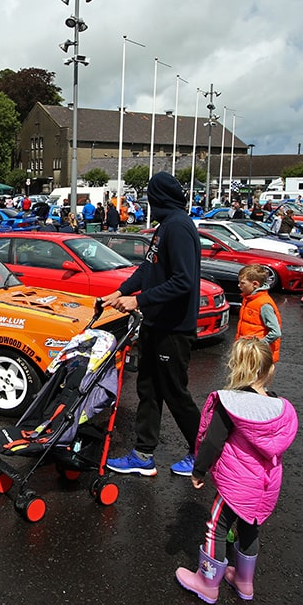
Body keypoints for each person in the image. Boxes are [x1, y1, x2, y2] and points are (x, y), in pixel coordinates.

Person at [174, 337, 298, 605]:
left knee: (216, 526)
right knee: (250, 526)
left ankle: (207, 582)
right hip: (266, 484)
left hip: (236, 484)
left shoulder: (231, 404)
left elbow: (212, 441)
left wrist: (199, 471)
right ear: (269, 370)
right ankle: (244, 582)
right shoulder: (279, 408)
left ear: (236, 367)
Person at [102, 172, 201, 477]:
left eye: (150, 195)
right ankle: (143, 454)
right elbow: (147, 270)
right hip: (156, 324)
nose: (148, 201)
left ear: (159, 197)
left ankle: (203, 453)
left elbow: (183, 281)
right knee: (148, 388)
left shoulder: (180, 227)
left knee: (175, 392)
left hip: (174, 327)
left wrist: (139, 301)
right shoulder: (164, 228)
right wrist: (120, 292)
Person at [235, 264, 282, 362]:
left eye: (242, 283)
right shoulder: (248, 298)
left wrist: (258, 345)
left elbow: (276, 332)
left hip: (257, 355)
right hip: (247, 351)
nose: (239, 285)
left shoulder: (264, 304)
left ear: (255, 284)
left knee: (254, 377)